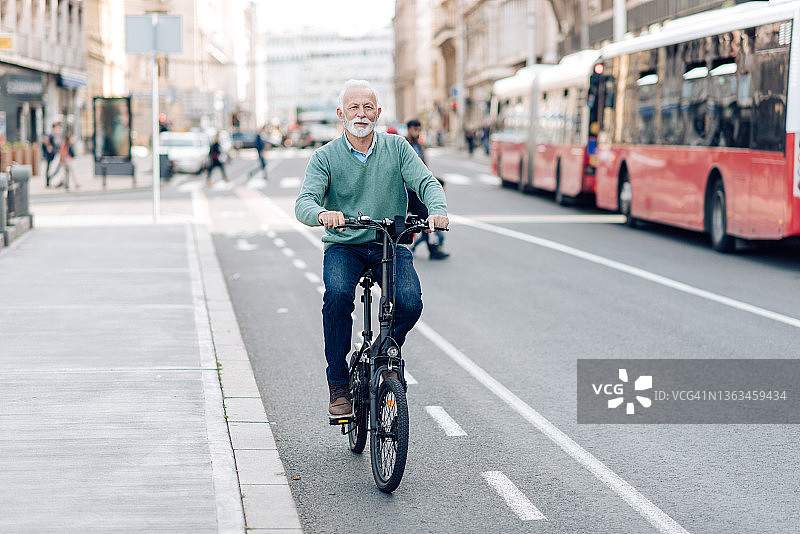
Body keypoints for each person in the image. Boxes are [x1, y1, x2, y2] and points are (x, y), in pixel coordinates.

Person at [295, 79, 449, 417]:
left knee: (409, 301)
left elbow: (426, 181)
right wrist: (322, 213)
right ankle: (338, 386)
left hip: (388, 242)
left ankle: (386, 350)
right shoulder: (325, 157)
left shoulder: (397, 147)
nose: (361, 114)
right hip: (345, 245)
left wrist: (437, 210)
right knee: (336, 297)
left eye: (368, 107)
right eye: (354, 107)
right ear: (341, 113)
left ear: (378, 113)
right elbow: (304, 201)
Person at [404, 118, 449, 260]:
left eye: (419, 129)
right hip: (404, 192)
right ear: (409, 129)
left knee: (426, 220)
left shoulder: (419, 146)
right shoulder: (402, 145)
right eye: (415, 129)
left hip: (416, 192)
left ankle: (432, 250)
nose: (417, 132)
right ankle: (398, 250)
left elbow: (423, 170)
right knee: (398, 222)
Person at [41, 122, 62, 187]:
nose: (58, 129)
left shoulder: (56, 135)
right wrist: (48, 147)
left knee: (54, 168)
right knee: (51, 168)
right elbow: (46, 140)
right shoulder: (51, 135)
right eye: (57, 128)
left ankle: (50, 180)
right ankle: (49, 180)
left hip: (55, 154)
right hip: (51, 155)